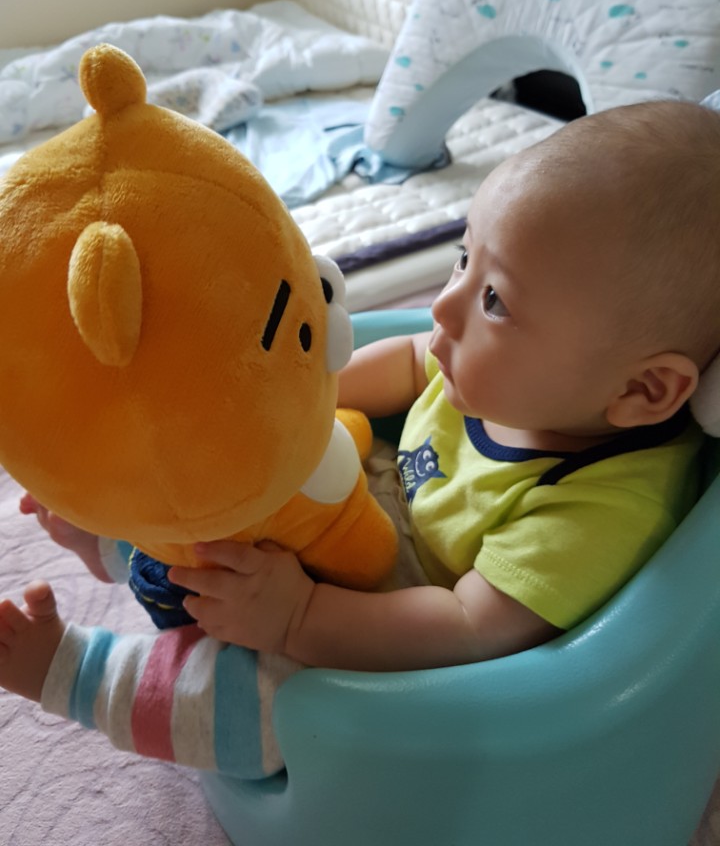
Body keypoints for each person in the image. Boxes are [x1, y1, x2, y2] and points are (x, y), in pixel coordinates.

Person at [0, 99, 718, 776]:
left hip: (404, 628)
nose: (443, 306)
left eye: (495, 299)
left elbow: (470, 627)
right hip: (361, 514)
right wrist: (288, 407)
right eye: (464, 256)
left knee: (267, 705)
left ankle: (77, 674)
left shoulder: (603, 506)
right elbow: (405, 360)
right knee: (232, 483)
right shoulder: (514, 375)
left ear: (642, 391)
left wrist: (298, 619)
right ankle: (121, 537)